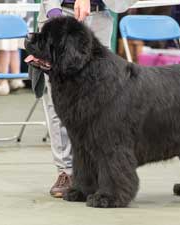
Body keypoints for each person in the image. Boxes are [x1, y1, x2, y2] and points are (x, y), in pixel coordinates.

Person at [37, 0, 114, 198]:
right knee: (61, 101)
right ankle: (66, 172)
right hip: (60, 14)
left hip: (100, 16)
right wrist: (54, 14)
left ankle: (94, 174)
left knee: (102, 103)